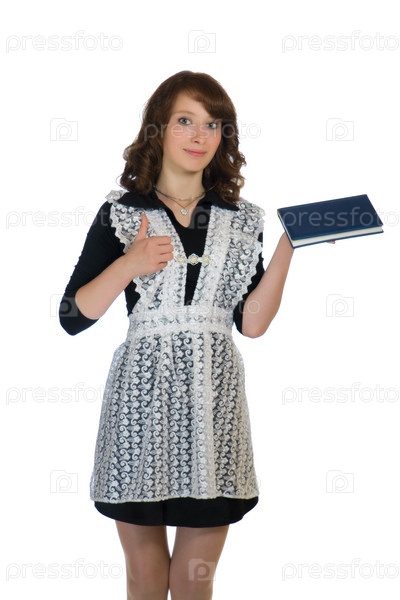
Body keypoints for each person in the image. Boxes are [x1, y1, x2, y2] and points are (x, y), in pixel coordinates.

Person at [59, 70, 294, 600]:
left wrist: (288, 247)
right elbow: (73, 316)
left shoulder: (241, 220)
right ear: (158, 129)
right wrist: (129, 264)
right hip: (140, 409)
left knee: (194, 581)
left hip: (214, 411)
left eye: (213, 125)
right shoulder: (123, 213)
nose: (199, 135)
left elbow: (252, 322)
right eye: (185, 121)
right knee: (145, 579)